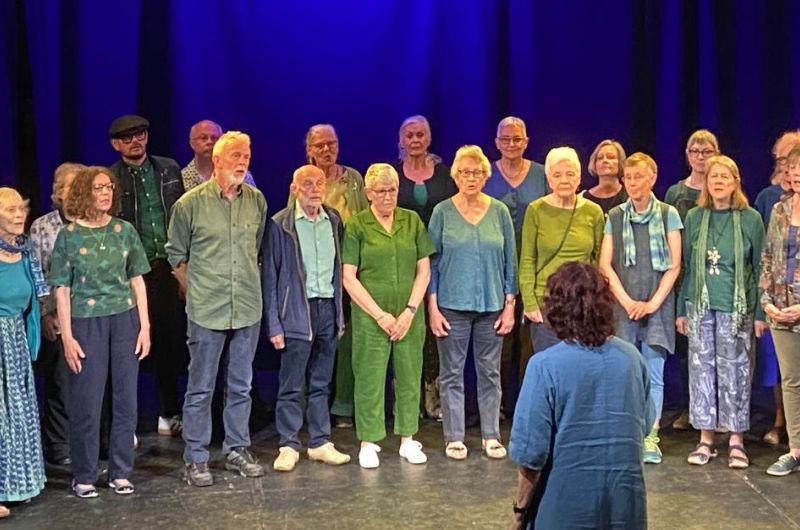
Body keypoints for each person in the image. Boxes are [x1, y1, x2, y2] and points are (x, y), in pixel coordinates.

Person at [509, 262, 652, 530]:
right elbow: (643, 427)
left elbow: (530, 456)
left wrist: (519, 512)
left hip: (564, 512)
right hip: (626, 512)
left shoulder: (544, 366)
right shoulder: (633, 359)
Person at [166, 131, 268, 486]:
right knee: (201, 386)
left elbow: (256, 247)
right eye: (236, 156)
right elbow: (176, 255)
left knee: (241, 384)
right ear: (218, 160)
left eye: (247, 156)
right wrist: (195, 291)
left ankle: (237, 448)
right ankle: (195, 457)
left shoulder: (256, 200)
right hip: (207, 308)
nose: (243, 162)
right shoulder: (190, 204)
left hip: (247, 305)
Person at [50, 167, 152, 498]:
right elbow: (62, 288)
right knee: (87, 401)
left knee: (126, 399)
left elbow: (137, 279)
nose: (106, 193)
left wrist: (145, 326)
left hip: (124, 320)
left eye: (109, 187)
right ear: (83, 193)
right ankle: (84, 473)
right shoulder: (69, 236)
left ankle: (121, 471)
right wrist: (67, 335)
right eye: (98, 188)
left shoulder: (124, 231)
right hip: (85, 321)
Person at [342, 163, 434, 469]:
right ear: (368, 193)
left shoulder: (411, 221)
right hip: (371, 317)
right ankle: (369, 441)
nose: (387, 196)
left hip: (409, 315)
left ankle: (408, 439)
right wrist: (380, 316)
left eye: (392, 190)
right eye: (380, 191)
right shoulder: (357, 225)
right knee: (369, 377)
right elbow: (349, 277)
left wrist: (410, 310)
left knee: (409, 375)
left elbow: (424, 269)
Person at [677, 155, 766, 468]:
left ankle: (737, 440)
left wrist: (760, 315)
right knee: (701, 372)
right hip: (700, 306)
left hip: (737, 308)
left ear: (735, 182)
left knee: (737, 373)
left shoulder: (751, 218)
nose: (718, 182)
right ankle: (705, 440)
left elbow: (760, 268)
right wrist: (681, 309)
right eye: (713, 177)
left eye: (724, 177)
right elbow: (688, 267)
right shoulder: (695, 218)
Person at [428, 145, 516, 460]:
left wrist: (510, 304)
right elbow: (432, 263)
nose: (471, 177)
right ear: (455, 175)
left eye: (477, 172)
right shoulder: (441, 212)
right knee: (451, 373)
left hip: (492, 305)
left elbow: (510, 261)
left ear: (485, 175)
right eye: (464, 172)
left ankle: (491, 435)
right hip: (452, 305)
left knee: (490, 372)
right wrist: (432, 306)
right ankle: (454, 437)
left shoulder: (500, 212)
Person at [264, 165, 350, 472]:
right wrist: (274, 323)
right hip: (296, 312)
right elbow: (270, 277)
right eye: (307, 183)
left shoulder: (334, 220)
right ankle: (288, 444)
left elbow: (340, 270)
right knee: (291, 384)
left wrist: (339, 315)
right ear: (294, 188)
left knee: (321, 382)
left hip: (327, 308)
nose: (314, 188)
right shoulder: (280, 224)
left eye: (319, 183)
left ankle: (319, 442)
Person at [599, 152, 682, 464]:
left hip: (657, 306)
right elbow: (605, 265)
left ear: (653, 178)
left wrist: (651, 304)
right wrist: (629, 302)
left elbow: (674, 265)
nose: (634, 183)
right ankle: (625, 434)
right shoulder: (616, 216)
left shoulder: (668, 214)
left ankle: (650, 437)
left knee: (653, 374)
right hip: (624, 306)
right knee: (623, 373)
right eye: (629, 178)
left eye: (639, 177)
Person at [108, 114, 187, 437]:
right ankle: (126, 422)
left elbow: (181, 213)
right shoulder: (111, 178)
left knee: (170, 342)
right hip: (131, 274)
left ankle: (169, 412)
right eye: (127, 138)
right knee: (130, 346)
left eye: (140, 134)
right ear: (116, 144)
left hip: (166, 266)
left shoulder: (167, 168)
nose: (135, 141)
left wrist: (183, 265)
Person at [286, 123, 368, 429]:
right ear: (309, 150)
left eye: (331, 143)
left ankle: (344, 407)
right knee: (310, 343)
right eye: (319, 145)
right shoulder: (300, 180)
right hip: (314, 275)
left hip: (350, 270)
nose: (326, 150)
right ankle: (307, 409)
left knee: (345, 340)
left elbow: (363, 222)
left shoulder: (354, 179)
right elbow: (289, 228)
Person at [392, 115, 455, 420]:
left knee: (435, 331)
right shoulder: (393, 176)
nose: (415, 140)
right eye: (409, 135)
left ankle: (434, 396)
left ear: (429, 139)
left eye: (420, 135)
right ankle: (406, 398)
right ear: (401, 140)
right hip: (401, 260)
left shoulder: (445, 175)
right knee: (405, 325)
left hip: (439, 259)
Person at [484, 116, 547, 416]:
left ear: (526, 141)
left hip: (536, 267)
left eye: (517, 139)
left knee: (530, 342)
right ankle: (493, 404)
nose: (511, 144)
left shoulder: (542, 175)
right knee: (499, 340)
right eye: (505, 139)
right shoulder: (486, 175)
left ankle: (525, 402)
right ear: (496, 142)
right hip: (495, 269)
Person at [519, 147, 605, 353]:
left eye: (570, 174)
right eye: (557, 175)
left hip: (582, 303)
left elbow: (599, 261)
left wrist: (596, 301)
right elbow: (527, 259)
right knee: (549, 368)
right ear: (549, 179)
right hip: (546, 303)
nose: (564, 180)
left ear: (579, 177)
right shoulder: (536, 210)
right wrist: (530, 303)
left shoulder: (593, 212)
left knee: (581, 366)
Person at [664, 128, 721, 431]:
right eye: (694, 152)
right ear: (687, 155)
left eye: (706, 151)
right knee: (688, 350)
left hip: (716, 274)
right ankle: (690, 409)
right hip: (684, 274)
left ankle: (719, 411)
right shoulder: (676, 192)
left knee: (719, 348)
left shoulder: (722, 185)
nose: (700, 157)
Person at [29, 162, 84, 466]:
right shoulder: (42, 227)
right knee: (60, 382)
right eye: (69, 187)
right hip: (58, 318)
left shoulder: (96, 221)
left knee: (93, 383)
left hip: (91, 316)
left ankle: (95, 439)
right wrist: (45, 314)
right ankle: (60, 445)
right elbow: (37, 273)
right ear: (58, 193)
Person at [0, 188, 48, 518]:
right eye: (11, 210)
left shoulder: (25, 249)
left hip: (16, 339)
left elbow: (40, 289)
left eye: (22, 209)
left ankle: (14, 484)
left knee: (17, 413)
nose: (20, 215)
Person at [754, 130, 800, 446]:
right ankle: (795, 449)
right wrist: (767, 301)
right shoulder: (780, 209)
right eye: (791, 170)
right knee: (790, 382)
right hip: (781, 309)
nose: (793, 176)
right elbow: (768, 256)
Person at [182, 119, 256, 191]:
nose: (209, 142)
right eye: (203, 138)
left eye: (214, 138)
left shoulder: (241, 174)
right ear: (192, 143)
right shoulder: (182, 178)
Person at [583, 139, 628, 214]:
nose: (605, 161)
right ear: (594, 163)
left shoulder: (629, 196)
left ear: (620, 162)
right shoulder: (583, 199)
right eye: (600, 158)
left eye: (611, 157)